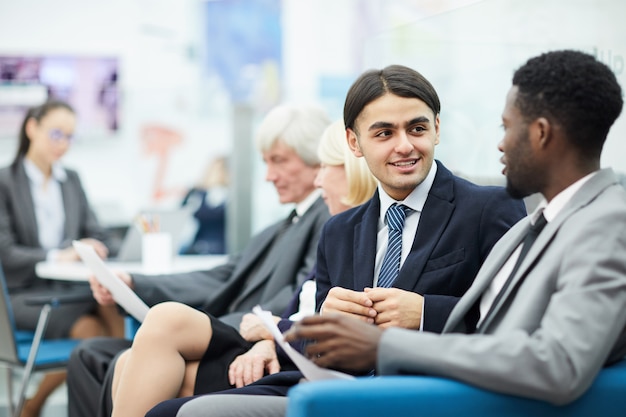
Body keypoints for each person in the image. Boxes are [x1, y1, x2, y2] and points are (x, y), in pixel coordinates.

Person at [178, 49, 626, 416]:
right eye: (384, 132)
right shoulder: (543, 222)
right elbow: (496, 327)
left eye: (507, 128)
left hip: (433, 395)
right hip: (361, 384)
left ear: (542, 134)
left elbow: (550, 360)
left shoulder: (601, 222)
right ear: (356, 143)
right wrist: (308, 330)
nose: (499, 144)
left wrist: (390, 341)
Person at [66, 103, 332, 417]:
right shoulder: (283, 225)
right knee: (94, 354)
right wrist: (135, 283)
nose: (268, 176)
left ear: (317, 161)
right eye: (266, 162)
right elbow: (222, 275)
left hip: (250, 332)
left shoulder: (327, 220)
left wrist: (243, 329)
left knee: (121, 351)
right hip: (236, 327)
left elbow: (300, 298)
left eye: (279, 161)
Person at [0, 99, 125, 417]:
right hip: (24, 295)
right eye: (57, 134)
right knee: (94, 333)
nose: (63, 144)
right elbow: (5, 251)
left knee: (111, 305)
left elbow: (98, 231)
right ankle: (35, 405)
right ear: (32, 128)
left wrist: (95, 246)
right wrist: (61, 255)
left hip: (70, 293)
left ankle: (118, 406)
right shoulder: (5, 183)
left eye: (70, 137)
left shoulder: (71, 180)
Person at [180, 155, 229, 255]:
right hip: (198, 244)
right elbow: (183, 210)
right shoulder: (198, 194)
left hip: (221, 246)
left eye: (220, 170)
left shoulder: (232, 196)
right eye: (215, 170)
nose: (217, 174)